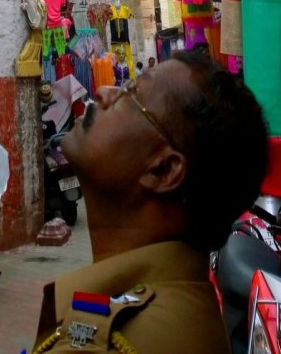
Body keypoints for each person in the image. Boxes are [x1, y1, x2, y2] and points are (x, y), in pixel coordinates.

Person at [31, 52, 268, 352]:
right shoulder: (180, 310)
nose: (103, 93)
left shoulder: (110, 342)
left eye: (132, 94)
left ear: (164, 170)